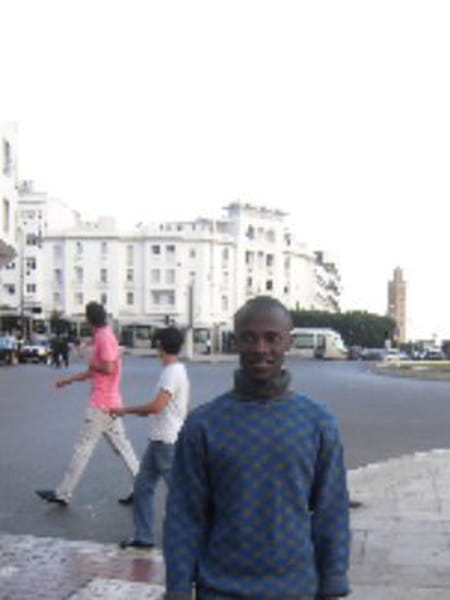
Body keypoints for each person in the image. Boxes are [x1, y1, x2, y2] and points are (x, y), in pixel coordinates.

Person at [163, 296, 351, 600]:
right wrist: (178, 589)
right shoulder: (203, 425)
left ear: (288, 342)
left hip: (297, 589)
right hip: (220, 589)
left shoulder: (317, 422)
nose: (260, 348)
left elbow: (332, 511)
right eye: (249, 337)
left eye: (271, 338)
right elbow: (184, 515)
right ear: (236, 341)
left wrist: (333, 584)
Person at [35, 301, 139, 506]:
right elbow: (96, 371)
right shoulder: (105, 335)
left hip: (101, 405)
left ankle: (63, 493)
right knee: (123, 447)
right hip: (111, 403)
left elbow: (108, 368)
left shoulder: (103, 337)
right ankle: (142, 486)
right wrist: (68, 380)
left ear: (89, 319)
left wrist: (92, 362)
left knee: (83, 449)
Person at [110, 326, 190, 550]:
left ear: (160, 346)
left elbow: (157, 406)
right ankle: (144, 537)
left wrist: (125, 410)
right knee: (143, 487)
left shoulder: (171, 372)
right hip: (160, 439)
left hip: (166, 442)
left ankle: (193, 537)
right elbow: (177, 406)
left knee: (179, 493)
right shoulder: (177, 369)